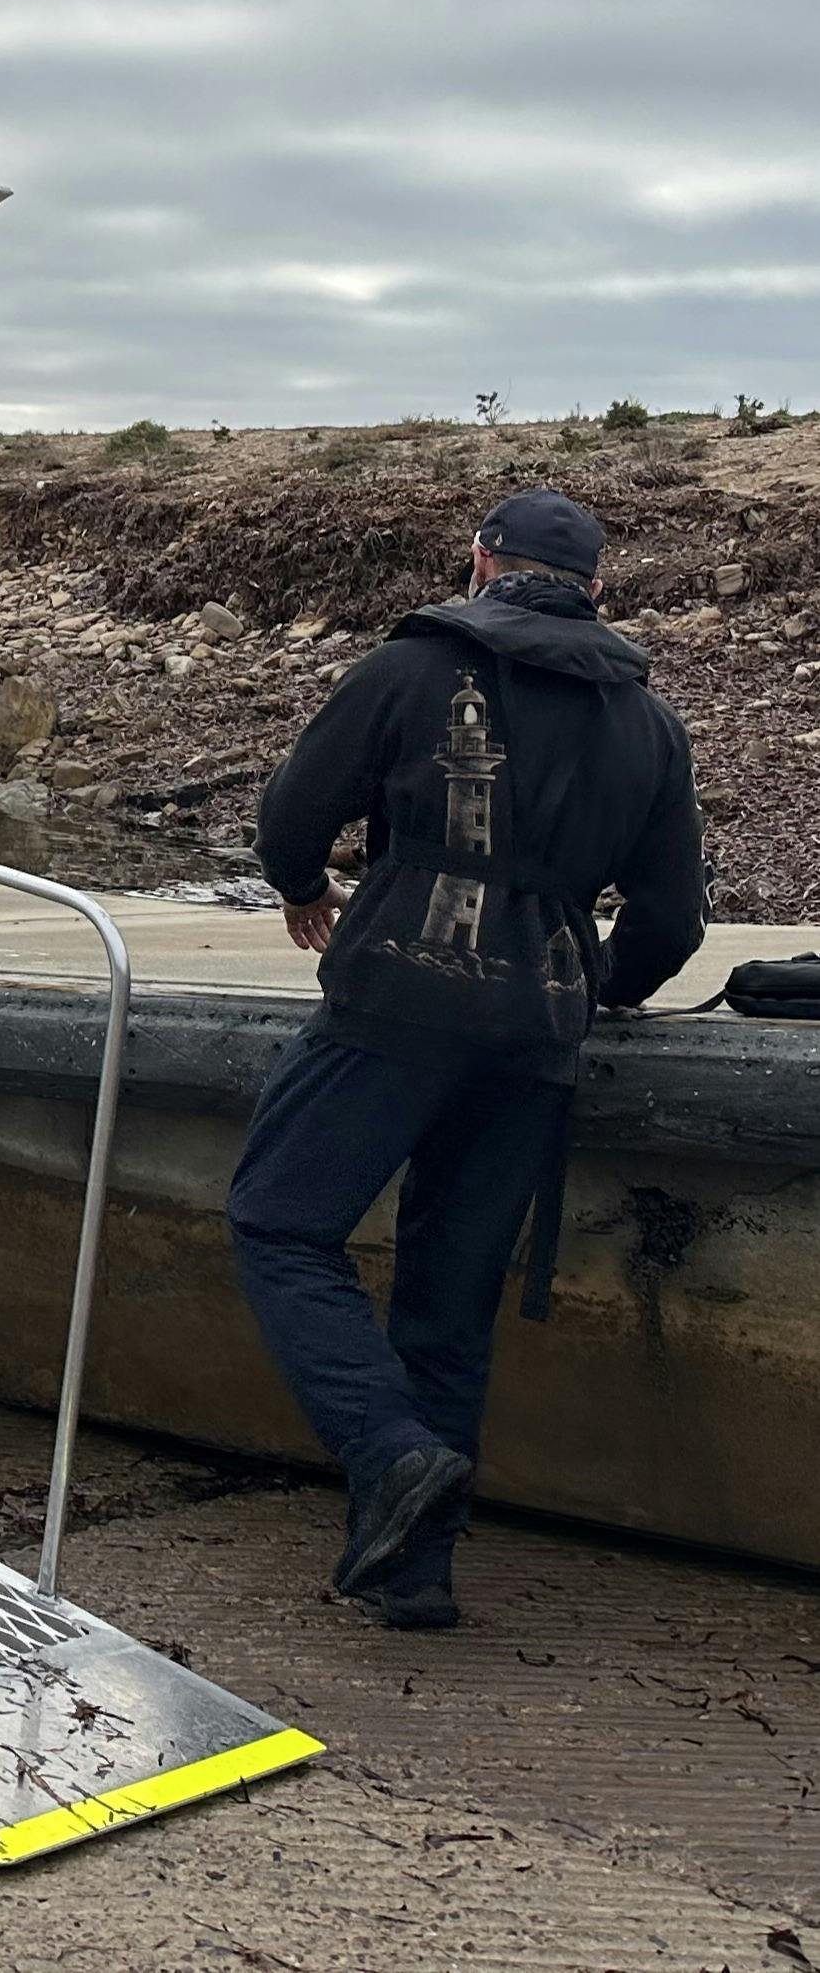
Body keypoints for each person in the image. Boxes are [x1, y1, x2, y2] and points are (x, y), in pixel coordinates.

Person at [233, 488, 704, 1628]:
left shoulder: (411, 666)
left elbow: (292, 815)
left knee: (278, 1223)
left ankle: (388, 1451)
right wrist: (596, 993)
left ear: (482, 563)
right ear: (596, 588)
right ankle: (416, 1575)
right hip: (534, 1030)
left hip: (395, 997)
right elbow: (670, 920)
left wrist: (304, 889)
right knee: (447, 1299)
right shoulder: (646, 719)